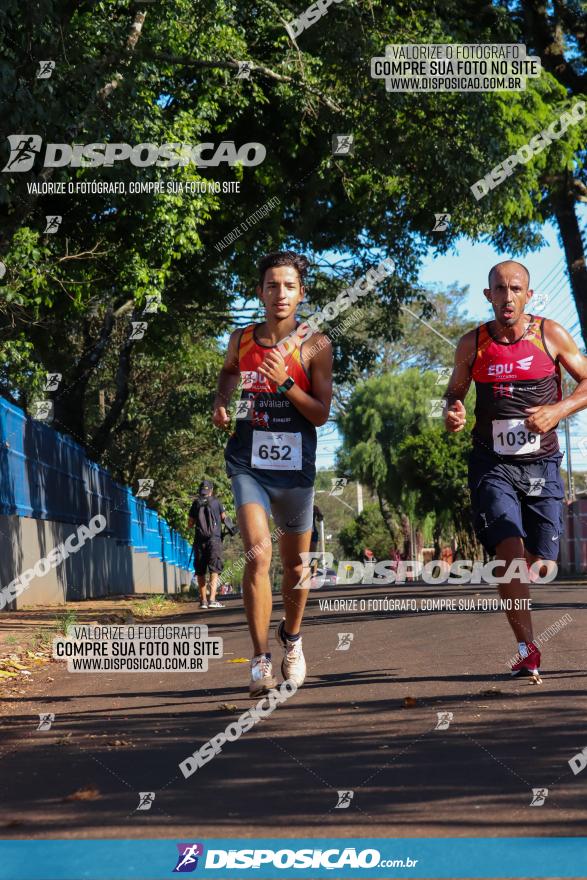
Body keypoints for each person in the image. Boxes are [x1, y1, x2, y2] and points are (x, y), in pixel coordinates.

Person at [444, 259, 587, 677]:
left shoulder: (550, 335)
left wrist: (557, 411)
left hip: (541, 462)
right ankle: (527, 647)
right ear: (488, 295)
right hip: (492, 464)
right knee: (508, 552)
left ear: (528, 294)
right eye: (499, 289)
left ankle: (523, 568)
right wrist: (452, 411)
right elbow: (455, 392)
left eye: (516, 289)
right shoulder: (472, 343)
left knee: (541, 562)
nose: (507, 297)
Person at [213, 251, 333, 697]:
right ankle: (260, 660)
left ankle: (293, 638)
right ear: (260, 291)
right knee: (258, 556)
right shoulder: (241, 339)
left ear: (301, 293)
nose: (279, 293)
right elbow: (228, 375)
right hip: (248, 463)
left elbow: (320, 414)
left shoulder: (316, 345)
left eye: (288, 286)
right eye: (271, 285)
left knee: (296, 566)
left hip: (296, 468)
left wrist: (285, 382)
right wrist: (223, 403)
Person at [188, 480, 227, 610]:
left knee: (200, 571)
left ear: (201, 491)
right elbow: (224, 518)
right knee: (214, 570)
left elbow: (190, 523)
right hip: (214, 540)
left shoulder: (196, 503)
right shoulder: (217, 502)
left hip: (199, 541)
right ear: (211, 490)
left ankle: (203, 601)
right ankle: (212, 600)